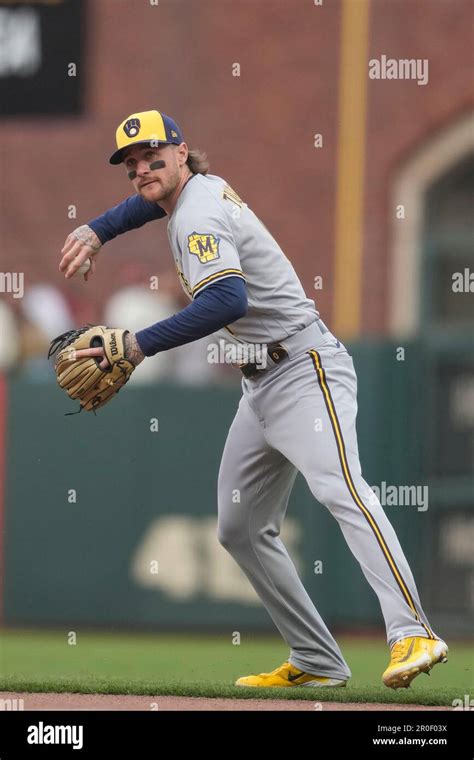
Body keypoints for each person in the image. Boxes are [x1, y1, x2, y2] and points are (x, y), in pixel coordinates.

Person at [59, 109, 448, 689]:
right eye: (132, 163)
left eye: (154, 155)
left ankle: (412, 630)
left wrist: (139, 344)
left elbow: (226, 303)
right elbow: (151, 198)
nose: (144, 169)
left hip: (306, 369)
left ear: (182, 151)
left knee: (341, 490)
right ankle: (316, 660)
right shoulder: (194, 188)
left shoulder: (199, 213)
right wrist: (99, 228)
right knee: (239, 526)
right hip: (259, 382)